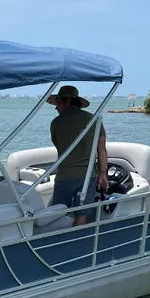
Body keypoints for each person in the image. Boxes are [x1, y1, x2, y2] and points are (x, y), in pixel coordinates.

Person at [47, 85, 108, 226]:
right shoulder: (94, 120)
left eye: (58, 103)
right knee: (82, 213)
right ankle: (78, 240)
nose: (56, 108)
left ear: (68, 101)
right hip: (87, 176)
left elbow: (59, 148)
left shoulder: (56, 123)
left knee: (59, 213)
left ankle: (59, 242)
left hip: (65, 176)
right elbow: (101, 148)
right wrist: (103, 174)